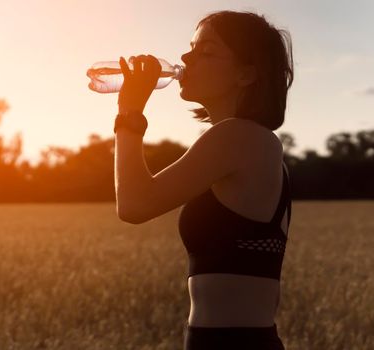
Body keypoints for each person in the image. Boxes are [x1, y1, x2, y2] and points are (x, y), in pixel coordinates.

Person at [112, 9, 294, 350]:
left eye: (206, 52)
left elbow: (135, 205)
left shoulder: (239, 136)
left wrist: (130, 114)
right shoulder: (251, 141)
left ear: (246, 74)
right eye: (191, 47)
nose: (185, 57)